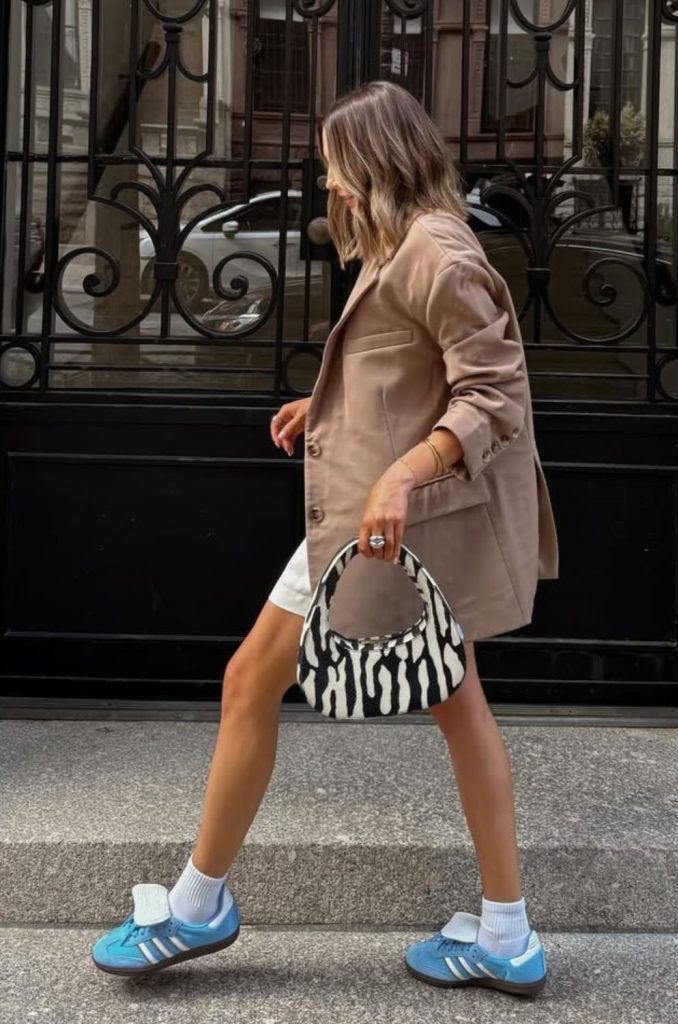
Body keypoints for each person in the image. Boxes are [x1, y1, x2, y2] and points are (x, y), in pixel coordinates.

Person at [91, 80, 558, 998]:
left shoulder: (433, 249)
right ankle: (504, 933)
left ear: (373, 161)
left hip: (382, 527)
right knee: (448, 704)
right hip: (381, 527)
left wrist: (399, 471)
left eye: (335, 165)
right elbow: (412, 369)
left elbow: (492, 394)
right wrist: (331, 404)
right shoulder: (403, 245)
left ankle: (196, 909)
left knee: (256, 682)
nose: (328, 183)